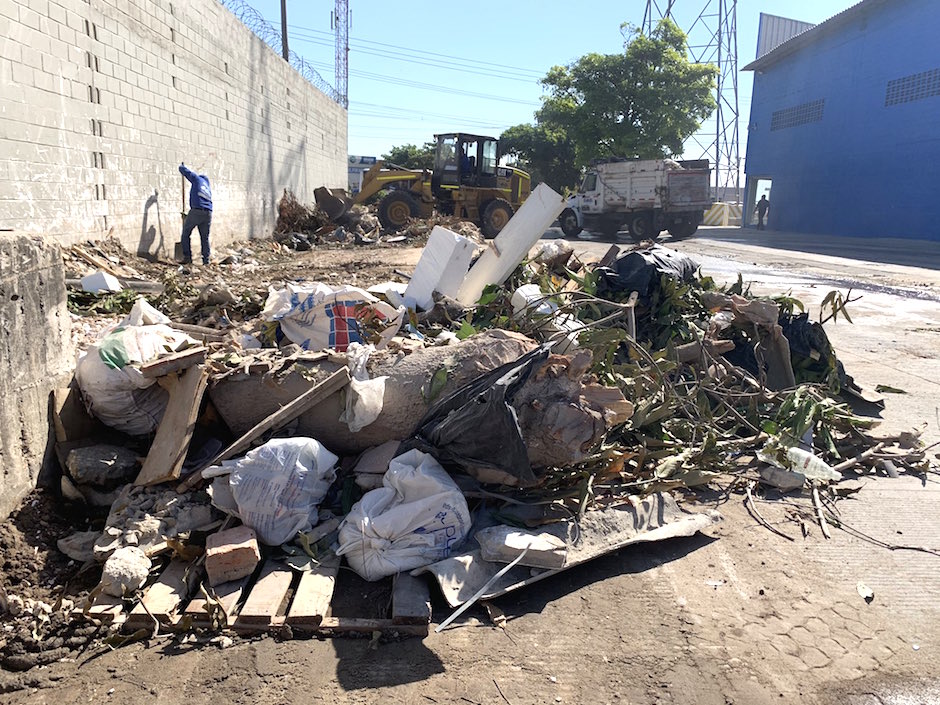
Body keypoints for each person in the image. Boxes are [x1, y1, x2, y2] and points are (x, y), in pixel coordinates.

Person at [179, 162, 212, 265]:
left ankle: (187, 257)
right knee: (204, 237)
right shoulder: (207, 187)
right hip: (208, 213)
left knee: (186, 234)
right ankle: (206, 260)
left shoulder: (197, 179)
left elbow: (186, 172)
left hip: (196, 211)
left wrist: (182, 167)